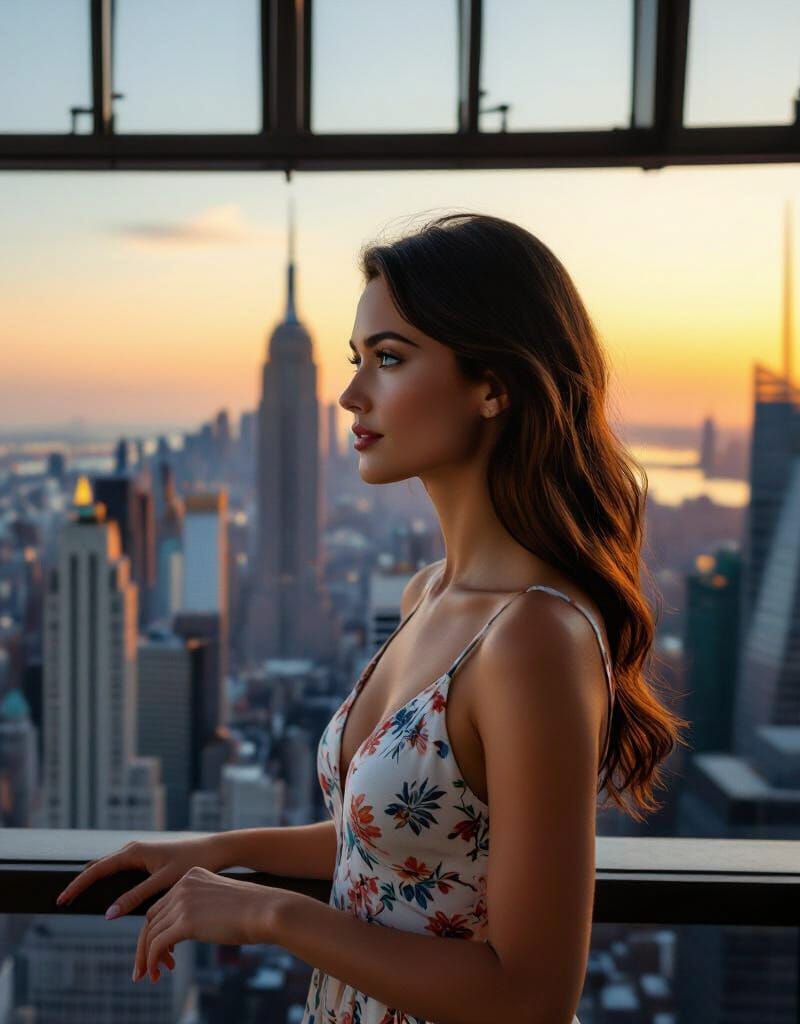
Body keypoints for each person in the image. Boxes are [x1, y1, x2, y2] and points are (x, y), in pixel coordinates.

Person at [55, 211, 688, 1023]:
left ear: (493, 385)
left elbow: (532, 997)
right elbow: (397, 847)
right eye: (357, 360)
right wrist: (217, 849)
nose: (351, 394)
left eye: (388, 360)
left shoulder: (532, 640)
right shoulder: (427, 595)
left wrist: (270, 913)